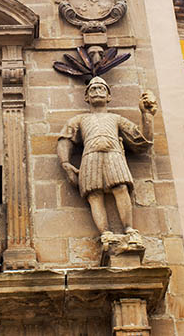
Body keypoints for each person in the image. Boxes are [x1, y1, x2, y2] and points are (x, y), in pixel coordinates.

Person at [57, 77, 157, 240]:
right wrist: (66, 163)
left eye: (101, 89)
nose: (97, 92)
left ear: (109, 97)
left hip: (114, 155)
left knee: (121, 189)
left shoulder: (116, 119)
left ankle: (129, 229)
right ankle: (105, 233)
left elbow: (142, 140)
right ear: (86, 97)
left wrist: (147, 115)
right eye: (93, 89)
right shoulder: (80, 120)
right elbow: (65, 139)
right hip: (90, 157)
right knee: (94, 194)